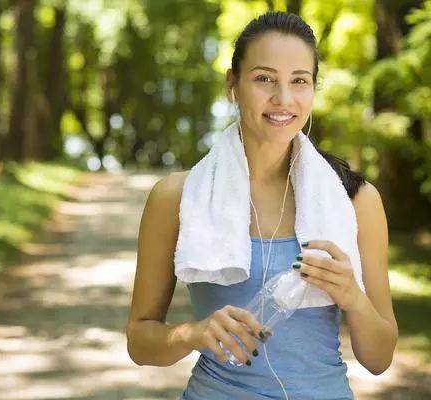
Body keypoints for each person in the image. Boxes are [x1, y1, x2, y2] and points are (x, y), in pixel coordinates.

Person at [126, 11, 398, 400]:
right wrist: (194, 333)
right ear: (233, 85)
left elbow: (380, 358)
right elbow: (140, 340)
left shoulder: (356, 202)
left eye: (299, 81)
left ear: (313, 90)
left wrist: (352, 297)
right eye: (264, 78)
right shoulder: (176, 198)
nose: (283, 99)